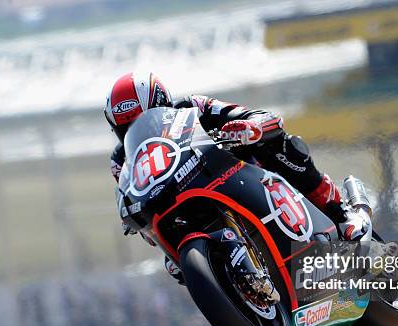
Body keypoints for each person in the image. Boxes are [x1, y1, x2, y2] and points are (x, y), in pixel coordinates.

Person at [105, 72, 371, 281]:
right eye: (127, 126)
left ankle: (341, 213)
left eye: (144, 118)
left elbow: (267, 119)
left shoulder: (193, 108)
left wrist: (249, 128)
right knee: (174, 266)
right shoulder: (120, 162)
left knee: (283, 147)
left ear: (162, 103)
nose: (138, 128)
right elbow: (133, 200)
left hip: (235, 171)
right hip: (180, 206)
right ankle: (236, 286)